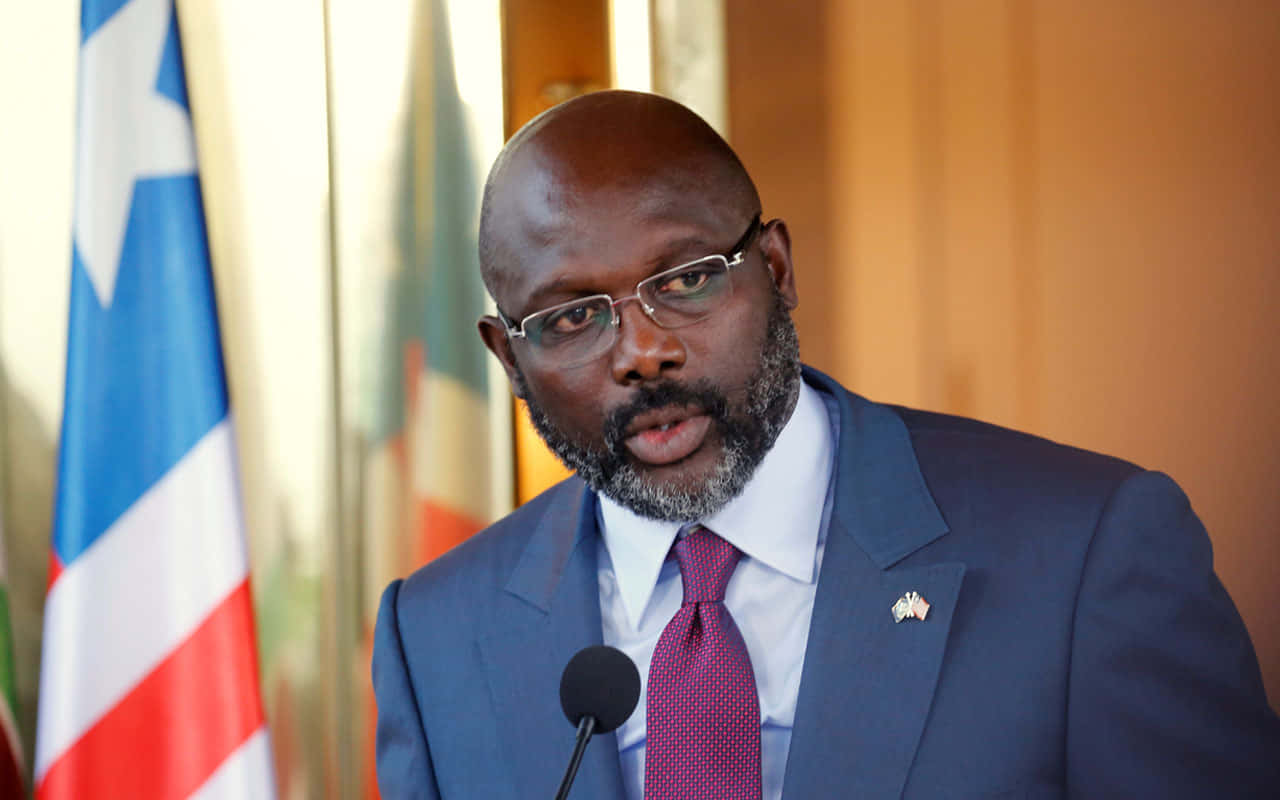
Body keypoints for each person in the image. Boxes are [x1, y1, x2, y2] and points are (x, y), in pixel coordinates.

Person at [371, 90, 1280, 799]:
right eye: (573, 317)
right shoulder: (438, 636)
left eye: (686, 279)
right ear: (509, 358)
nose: (643, 353)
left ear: (775, 269)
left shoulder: (1084, 554)